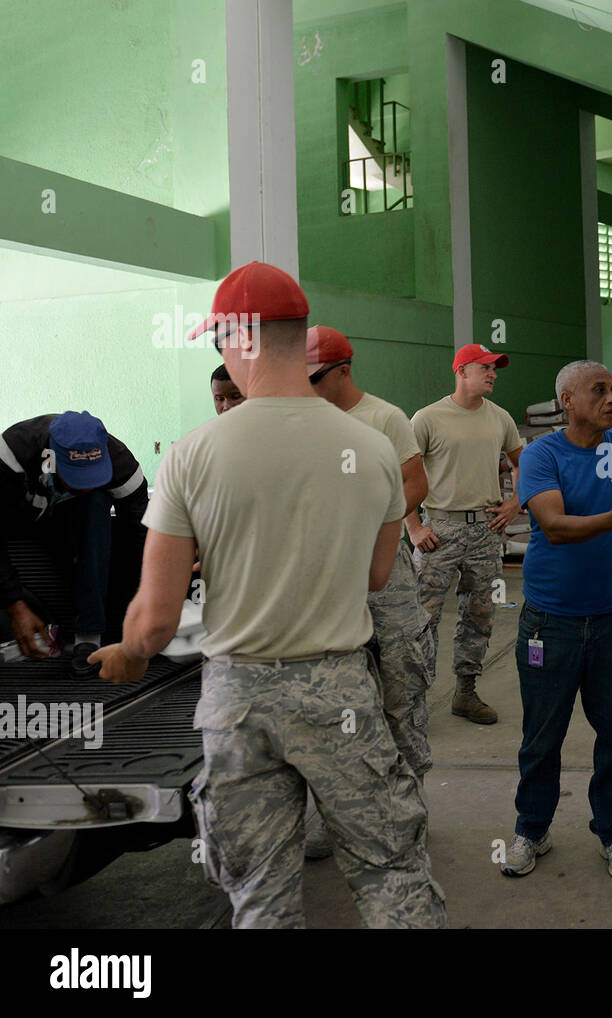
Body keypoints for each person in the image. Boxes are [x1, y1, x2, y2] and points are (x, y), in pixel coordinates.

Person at [90, 261, 443, 929]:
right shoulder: (369, 449)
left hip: (238, 703)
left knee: (260, 893)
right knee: (392, 872)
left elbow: (157, 617)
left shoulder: (192, 454)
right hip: (339, 692)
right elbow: (374, 577)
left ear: (239, 339)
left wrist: (129, 653)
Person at [500, 360, 612, 881]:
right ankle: (532, 828)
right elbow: (554, 526)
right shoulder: (540, 455)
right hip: (548, 624)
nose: (610, 398)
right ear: (567, 402)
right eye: (597, 390)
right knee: (541, 735)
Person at [307, 324, 435, 777]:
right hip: (327, 575)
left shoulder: (384, 418)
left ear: (343, 371)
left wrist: (367, 521)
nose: (306, 388)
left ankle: (409, 798)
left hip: (386, 571)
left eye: (314, 378)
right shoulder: (302, 422)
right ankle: (337, 804)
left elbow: (416, 483)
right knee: (334, 691)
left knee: (401, 681)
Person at [407, 344, 524, 725]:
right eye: (485, 368)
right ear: (461, 372)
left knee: (480, 613)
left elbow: (524, 463)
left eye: (495, 369)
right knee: (422, 618)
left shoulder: (500, 418)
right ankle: (414, 700)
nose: (493, 374)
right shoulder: (427, 419)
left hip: (485, 530)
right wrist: (413, 526)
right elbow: (401, 476)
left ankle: (466, 691)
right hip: (438, 529)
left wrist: (515, 503)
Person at [0, 412, 147, 675]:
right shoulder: (12, 452)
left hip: (72, 519)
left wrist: (146, 602)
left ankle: (88, 637)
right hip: (17, 513)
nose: (85, 485)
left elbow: (141, 535)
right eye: (77, 476)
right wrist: (15, 605)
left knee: (95, 503)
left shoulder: (121, 463)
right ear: (52, 457)